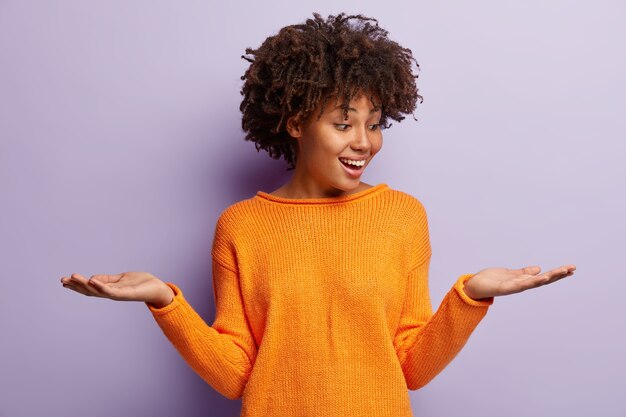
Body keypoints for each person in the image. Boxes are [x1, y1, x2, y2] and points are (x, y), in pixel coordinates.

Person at [60, 12, 576, 417]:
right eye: (342, 122)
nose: (363, 142)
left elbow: (412, 366)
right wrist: (164, 300)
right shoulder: (241, 226)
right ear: (293, 120)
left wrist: (471, 297)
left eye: (374, 124)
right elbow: (235, 374)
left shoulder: (401, 216)